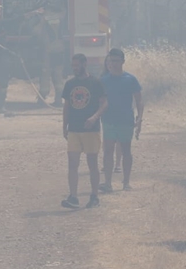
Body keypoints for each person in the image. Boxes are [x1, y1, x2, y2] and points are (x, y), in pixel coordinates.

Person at [61, 53, 108, 209]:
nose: (74, 68)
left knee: (92, 163)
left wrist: (94, 118)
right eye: (73, 65)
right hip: (74, 128)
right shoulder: (69, 84)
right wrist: (64, 125)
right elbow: (67, 106)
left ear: (84, 64)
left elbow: (104, 104)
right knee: (72, 163)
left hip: (91, 129)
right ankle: (73, 197)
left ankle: (94, 196)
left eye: (77, 65)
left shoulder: (95, 83)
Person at [99, 48, 144, 192]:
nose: (113, 64)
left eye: (117, 61)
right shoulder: (103, 80)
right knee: (108, 151)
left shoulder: (130, 79)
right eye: (111, 61)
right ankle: (108, 183)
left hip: (126, 120)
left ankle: (126, 182)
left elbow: (139, 100)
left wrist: (140, 118)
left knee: (126, 151)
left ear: (123, 62)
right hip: (108, 120)